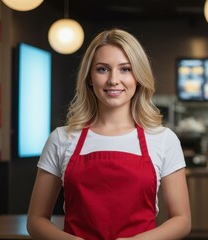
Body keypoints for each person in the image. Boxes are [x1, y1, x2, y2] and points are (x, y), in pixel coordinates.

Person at [27, 28, 191, 240]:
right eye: (103, 69)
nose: (114, 80)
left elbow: (182, 220)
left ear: (139, 76)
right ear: (89, 77)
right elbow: (35, 220)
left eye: (125, 69)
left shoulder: (163, 139)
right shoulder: (61, 138)